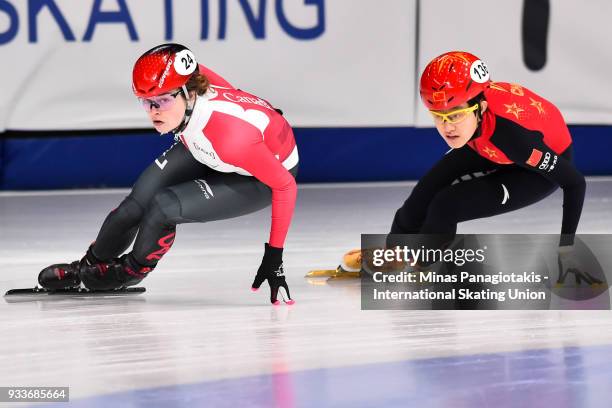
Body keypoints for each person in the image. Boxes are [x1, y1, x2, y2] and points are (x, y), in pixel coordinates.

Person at [38, 43, 298, 305]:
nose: (154, 111)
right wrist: (90, 266)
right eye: (146, 102)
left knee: (164, 207)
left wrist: (274, 257)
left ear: (189, 93)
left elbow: (286, 186)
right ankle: (89, 267)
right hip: (209, 145)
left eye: (163, 100)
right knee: (134, 206)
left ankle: (127, 272)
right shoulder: (188, 87)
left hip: (258, 175)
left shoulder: (234, 140)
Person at [310, 51, 585, 279]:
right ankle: (393, 255)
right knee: (427, 189)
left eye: (455, 115)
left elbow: (574, 182)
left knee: (447, 204)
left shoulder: (514, 138)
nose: (447, 127)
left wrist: (565, 249)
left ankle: (424, 266)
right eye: (438, 116)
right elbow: (432, 181)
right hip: (486, 142)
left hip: (534, 171)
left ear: (481, 107)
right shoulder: (472, 121)